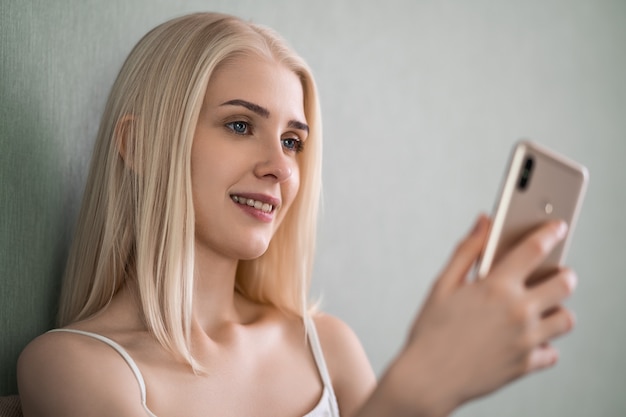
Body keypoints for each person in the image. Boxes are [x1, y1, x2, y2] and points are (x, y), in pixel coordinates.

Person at [17, 12, 577, 417]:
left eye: (292, 141)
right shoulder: (74, 368)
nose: (281, 169)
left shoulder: (328, 347)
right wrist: (418, 391)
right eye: (241, 126)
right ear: (138, 146)